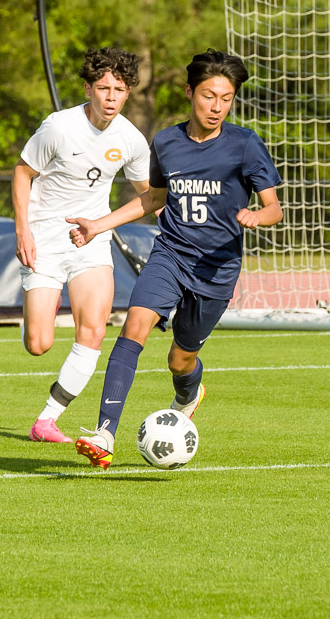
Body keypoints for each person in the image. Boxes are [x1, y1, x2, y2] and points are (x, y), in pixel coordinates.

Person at [66, 49, 282, 469]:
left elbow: (274, 207)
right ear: (189, 92)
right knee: (134, 324)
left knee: (180, 360)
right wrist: (98, 224)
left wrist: (258, 215)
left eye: (225, 98)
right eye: (208, 96)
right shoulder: (166, 141)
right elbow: (154, 199)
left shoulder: (244, 144)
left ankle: (189, 391)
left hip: (217, 269)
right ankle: (105, 433)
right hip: (170, 254)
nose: (216, 106)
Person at [12, 47, 151, 443]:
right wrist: (23, 231)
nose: (110, 97)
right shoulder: (58, 127)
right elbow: (23, 174)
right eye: (103, 87)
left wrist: (104, 224)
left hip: (92, 239)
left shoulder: (132, 140)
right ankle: (48, 295)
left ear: (128, 94)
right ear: (88, 88)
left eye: (119, 89)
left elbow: (148, 197)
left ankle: (47, 420)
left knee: (92, 331)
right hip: (45, 238)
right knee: (38, 344)